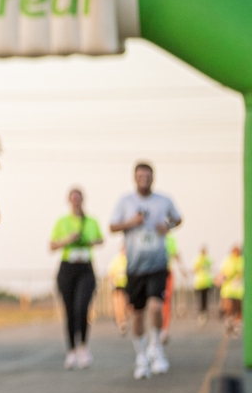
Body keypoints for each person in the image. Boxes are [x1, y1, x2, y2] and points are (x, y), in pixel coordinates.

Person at [109, 162, 182, 379]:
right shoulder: (125, 201)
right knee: (138, 314)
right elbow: (112, 226)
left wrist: (167, 226)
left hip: (158, 264)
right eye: (140, 176)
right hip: (135, 267)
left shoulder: (163, 200)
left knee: (156, 307)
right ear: (135, 178)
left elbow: (178, 218)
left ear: (153, 178)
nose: (144, 180)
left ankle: (156, 348)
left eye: (148, 176)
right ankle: (141, 357)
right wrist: (132, 222)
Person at [49, 188, 104, 370]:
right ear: (68, 201)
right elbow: (52, 245)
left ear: (82, 200)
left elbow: (100, 240)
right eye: (72, 198)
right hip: (67, 268)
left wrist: (88, 240)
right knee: (69, 310)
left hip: (85, 268)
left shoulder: (91, 221)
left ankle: (83, 347)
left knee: (82, 307)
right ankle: (71, 349)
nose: (75, 201)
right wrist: (68, 239)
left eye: (78, 198)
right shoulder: (62, 222)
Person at [217, 245, 244, 336]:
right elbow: (222, 273)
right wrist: (219, 279)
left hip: (239, 290)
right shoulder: (227, 261)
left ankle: (237, 325)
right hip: (228, 289)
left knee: (239, 309)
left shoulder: (242, 260)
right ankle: (229, 322)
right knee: (228, 307)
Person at [106, 248, 129, 334]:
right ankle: (121, 320)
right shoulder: (116, 260)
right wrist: (111, 281)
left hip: (127, 284)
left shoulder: (129, 259)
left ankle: (123, 319)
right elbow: (111, 273)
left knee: (124, 303)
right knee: (119, 303)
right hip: (118, 284)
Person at [193, 245, 214, 324]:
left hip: (203, 282)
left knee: (203, 299)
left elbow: (195, 269)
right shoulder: (206, 259)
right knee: (203, 299)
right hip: (203, 282)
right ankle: (202, 312)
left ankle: (202, 312)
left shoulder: (199, 259)